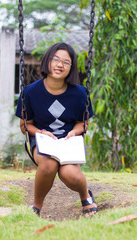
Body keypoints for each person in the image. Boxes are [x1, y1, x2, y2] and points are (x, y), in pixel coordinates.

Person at [16, 42, 97, 217]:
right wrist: (40, 132)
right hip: (43, 140)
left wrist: (74, 132)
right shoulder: (30, 92)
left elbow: (83, 123)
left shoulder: (80, 93)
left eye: (66, 62)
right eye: (56, 59)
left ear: (71, 68)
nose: (60, 65)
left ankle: (85, 196)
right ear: (47, 61)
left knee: (70, 174)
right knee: (48, 164)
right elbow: (25, 125)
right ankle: (36, 207)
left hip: (68, 141)